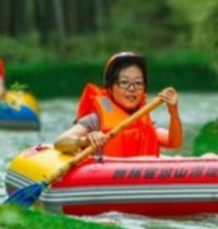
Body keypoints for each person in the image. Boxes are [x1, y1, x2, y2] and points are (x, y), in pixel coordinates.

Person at [54, 51, 183, 157]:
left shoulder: (146, 122)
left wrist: (173, 112)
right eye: (124, 82)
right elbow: (59, 143)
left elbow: (174, 142)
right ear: (110, 88)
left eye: (138, 83)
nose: (132, 88)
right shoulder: (95, 120)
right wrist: (85, 140)